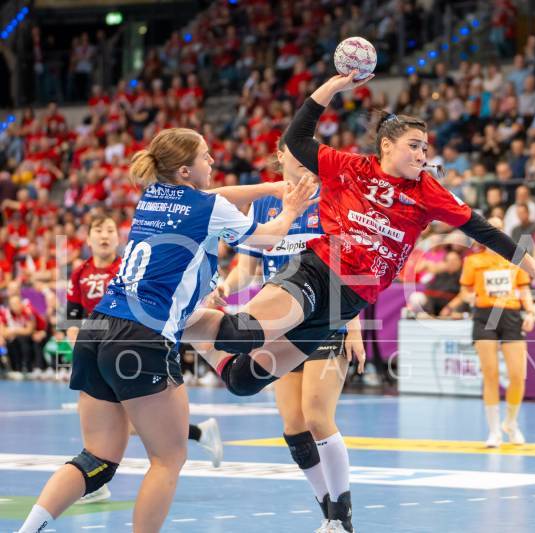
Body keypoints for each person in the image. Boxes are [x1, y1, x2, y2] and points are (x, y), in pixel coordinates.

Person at [184, 71, 535, 531]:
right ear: (387, 147)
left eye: (426, 148)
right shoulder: (350, 167)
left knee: (241, 380)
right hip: (316, 270)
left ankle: (341, 519)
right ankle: (172, 318)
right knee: (240, 335)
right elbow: (297, 138)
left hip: (346, 304)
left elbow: (487, 231)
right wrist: (333, 88)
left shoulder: (428, 193)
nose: (422, 155)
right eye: (414, 145)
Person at [17, 127, 318, 533]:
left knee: (97, 459)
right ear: (184, 170)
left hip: (99, 329)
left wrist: (269, 188)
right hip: (143, 337)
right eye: (206, 156)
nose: (213, 161)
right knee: (168, 459)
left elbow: (217, 196)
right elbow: (267, 238)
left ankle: (28, 529)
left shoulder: (153, 196)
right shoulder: (206, 207)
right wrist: (291, 208)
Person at [209, 137, 366, 533]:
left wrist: (353, 324)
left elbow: (349, 267)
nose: (303, 157)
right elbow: (248, 267)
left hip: (328, 317)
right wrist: (226, 285)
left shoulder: (333, 196)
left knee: (317, 416)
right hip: (279, 324)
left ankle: (342, 518)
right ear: (280, 156)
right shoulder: (264, 203)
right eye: (294, 151)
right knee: (294, 427)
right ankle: (328, 511)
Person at [66, 213, 225, 505]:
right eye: (98, 230)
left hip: (129, 345)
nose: (104, 235)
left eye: (109, 229)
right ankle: (199, 433)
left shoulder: (127, 266)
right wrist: (77, 340)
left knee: (129, 421)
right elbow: (71, 317)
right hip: (96, 349)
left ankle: (99, 478)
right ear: (88, 238)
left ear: (119, 237)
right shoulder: (79, 274)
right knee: (110, 420)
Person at [448, 217, 535, 447]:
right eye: (491, 227)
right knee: (490, 374)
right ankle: (494, 431)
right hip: (484, 316)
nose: (495, 231)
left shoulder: (516, 259)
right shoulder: (473, 261)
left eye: (499, 228)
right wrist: (471, 298)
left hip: (511, 316)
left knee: (517, 375)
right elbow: (465, 291)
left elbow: (524, 290)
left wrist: (531, 312)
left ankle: (511, 423)